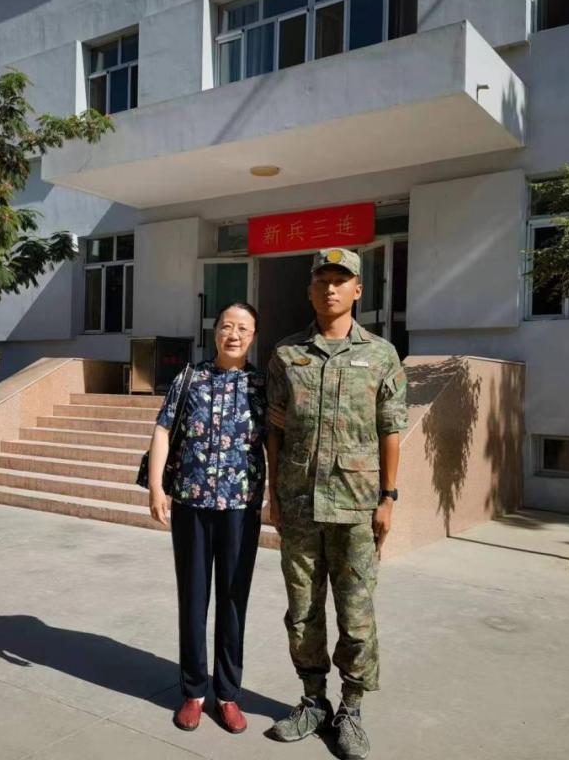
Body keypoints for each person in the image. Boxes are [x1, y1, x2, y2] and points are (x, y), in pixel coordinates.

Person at [266, 248, 408, 759]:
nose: (330, 288)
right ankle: (312, 701)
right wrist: (274, 495)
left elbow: (391, 429)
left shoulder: (381, 355)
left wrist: (388, 497)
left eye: (340, 280)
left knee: (357, 614)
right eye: (322, 280)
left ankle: (351, 710)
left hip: (356, 506)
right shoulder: (286, 354)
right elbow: (274, 430)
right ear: (310, 290)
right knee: (302, 612)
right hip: (299, 503)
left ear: (358, 290)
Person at [146, 302, 267, 735]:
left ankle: (228, 694)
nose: (234, 335)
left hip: (241, 508)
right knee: (194, 599)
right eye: (227, 327)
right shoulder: (189, 378)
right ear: (214, 333)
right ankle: (194, 692)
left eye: (243, 328)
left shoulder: (262, 386)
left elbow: (279, 441)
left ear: (253, 336)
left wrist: (280, 498)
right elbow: (163, 429)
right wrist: (156, 487)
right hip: (192, 505)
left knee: (233, 601)